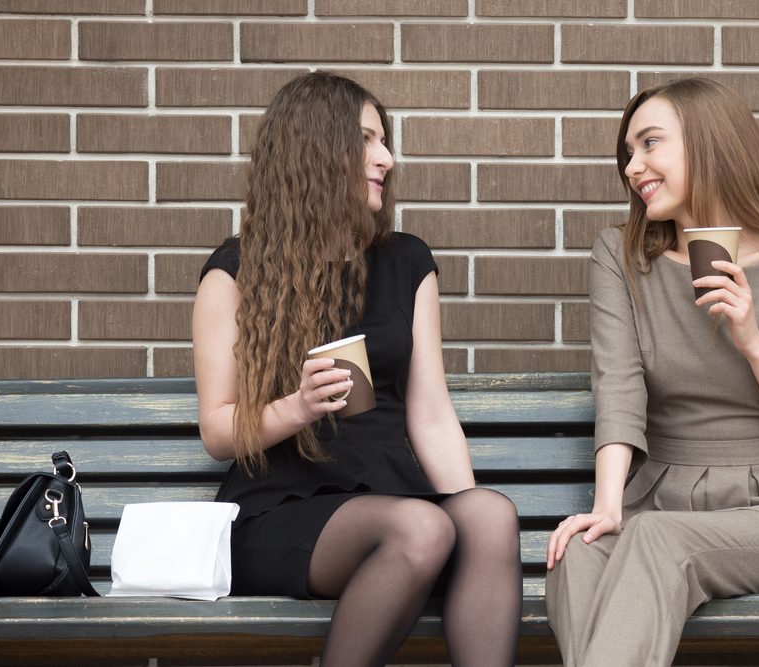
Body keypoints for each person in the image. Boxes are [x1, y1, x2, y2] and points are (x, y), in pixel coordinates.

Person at [192, 72, 522, 667]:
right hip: (282, 510)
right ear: (317, 149)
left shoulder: (407, 262)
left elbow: (432, 416)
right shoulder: (233, 272)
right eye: (368, 140)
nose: (387, 159)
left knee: (489, 516)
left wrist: (466, 520)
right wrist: (298, 406)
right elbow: (218, 432)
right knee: (421, 529)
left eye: (385, 141)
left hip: (400, 504)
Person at [544, 77, 759, 666]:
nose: (633, 166)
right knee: (581, 551)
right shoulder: (620, 256)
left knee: (654, 539)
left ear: (708, 145)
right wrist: (608, 505)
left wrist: (754, 344)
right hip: (659, 500)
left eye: (650, 144)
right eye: (628, 152)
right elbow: (618, 384)